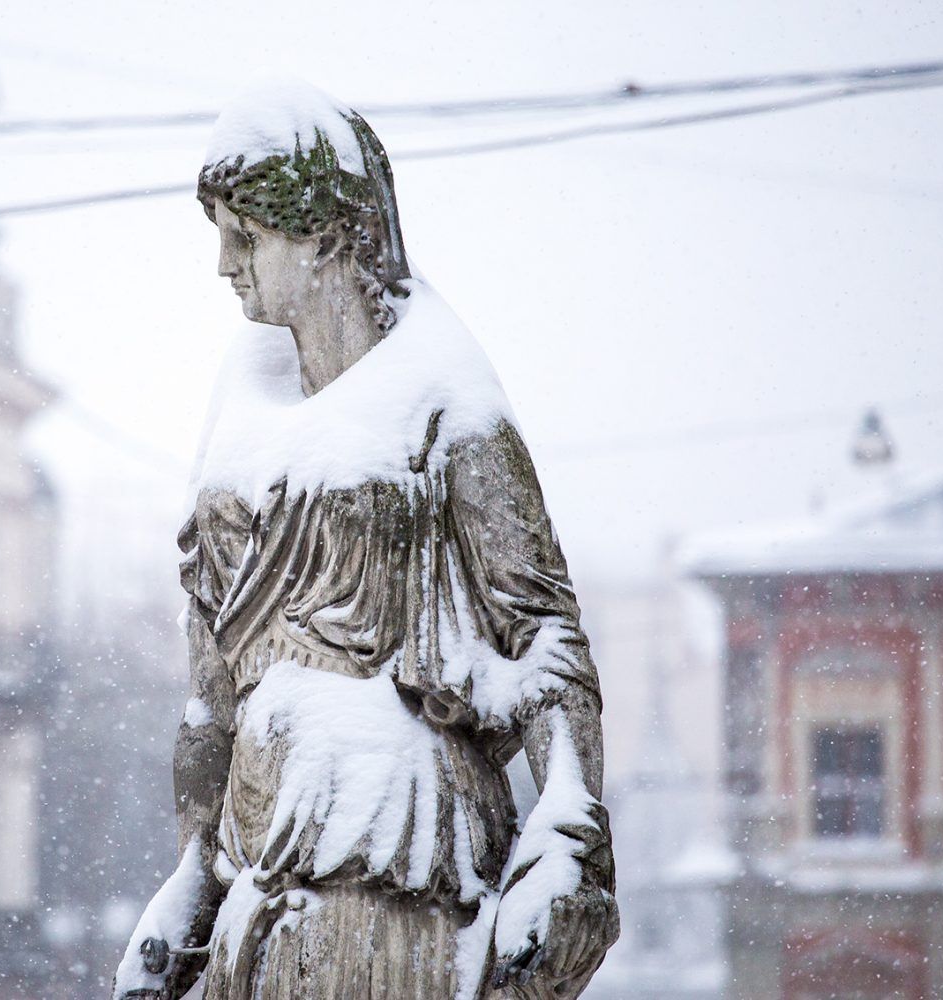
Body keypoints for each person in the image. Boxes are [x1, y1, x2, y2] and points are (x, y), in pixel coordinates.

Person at [113, 81, 618, 1000]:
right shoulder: (237, 414)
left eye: (247, 235)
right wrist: (193, 870)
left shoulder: (443, 403)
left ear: (325, 232)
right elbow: (208, 696)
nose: (225, 264)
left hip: (396, 842)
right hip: (259, 867)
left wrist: (570, 828)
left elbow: (545, 635)